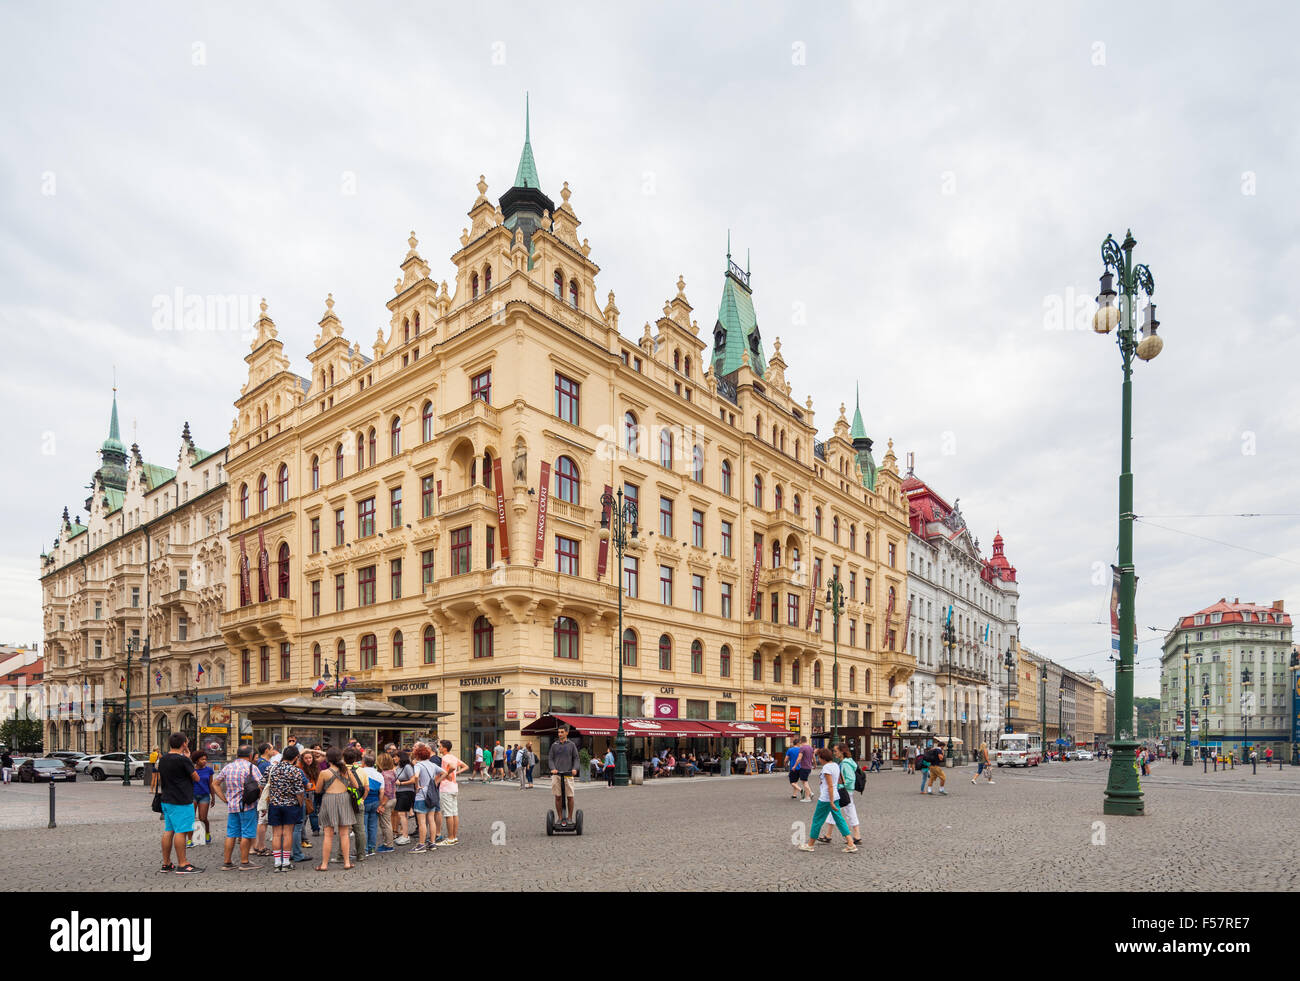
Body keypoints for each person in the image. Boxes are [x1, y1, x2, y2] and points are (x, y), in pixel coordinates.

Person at [158, 732, 202, 874]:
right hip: (181, 800)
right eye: (187, 742)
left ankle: (166, 863)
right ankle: (183, 864)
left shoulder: (163, 759)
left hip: (166, 799)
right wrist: (188, 759)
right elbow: (196, 778)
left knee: (168, 830)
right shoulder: (183, 760)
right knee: (181, 831)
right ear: (184, 744)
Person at [213, 744, 261, 871]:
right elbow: (261, 785)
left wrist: (225, 799)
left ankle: (227, 862)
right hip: (248, 805)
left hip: (232, 806)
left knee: (231, 834)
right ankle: (244, 862)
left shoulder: (228, 767)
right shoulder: (252, 767)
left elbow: (215, 783)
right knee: (247, 833)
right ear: (250, 756)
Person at [799, 747, 855, 853]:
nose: (818, 759)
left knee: (817, 820)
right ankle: (851, 843)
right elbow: (835, 781)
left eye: (819, 757)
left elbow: (830, 786)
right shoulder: (835, 765)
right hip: (835, 796)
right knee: (839, 820)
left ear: (822, 758)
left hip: (826, 799)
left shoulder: (826, 768)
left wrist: (831, 801)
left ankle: (810, 844)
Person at [314, 746, 357, 871]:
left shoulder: (324, 773)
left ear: (328, 759)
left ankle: (324, 864)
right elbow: (355, 785)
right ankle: (347, 862)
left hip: (329, 800)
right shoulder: (346, 771)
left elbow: (317, 790)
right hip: (344, 799)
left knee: (328, 835)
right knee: (344, 834)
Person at [265, 744, 305, 873]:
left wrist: (271, 796)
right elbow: (299, 791)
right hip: (291, 805)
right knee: (288, 834)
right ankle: (286, 862)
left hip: (275, 804)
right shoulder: (295, 771)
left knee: (276, 834)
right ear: (295, 757)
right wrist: (300, 804)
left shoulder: (272, 768)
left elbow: (261, 784)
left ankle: (277, 862)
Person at [818, 744, 862, 847]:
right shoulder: (846, 762)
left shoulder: (845, 763)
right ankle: (854, 835)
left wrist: (841, 786)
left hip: (844, 791)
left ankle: (855, 836)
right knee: (838, 810)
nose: (834, 753)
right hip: (845, 790)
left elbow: (850, 779)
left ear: (842, 752)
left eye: (836, 751)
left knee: (842, 811)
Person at [411, 742, 443, 852]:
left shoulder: (418, 765)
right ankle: (432, 843)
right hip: (431, 794)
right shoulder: (432, 765)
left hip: (421, 795)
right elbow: (445, 772)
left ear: (418, 755)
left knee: (422, 822)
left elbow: (416, 776)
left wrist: (417, 786)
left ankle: (421, 844)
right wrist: (436, 782)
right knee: (431, 820)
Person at [437, 739, 467, 845]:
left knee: (448, 814)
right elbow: (465, 766)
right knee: (454, 813)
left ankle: (450, 838)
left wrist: (447, 775)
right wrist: (456, 773)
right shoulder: (453, 757)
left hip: (446, 788)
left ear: (445, 748)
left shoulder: (444, 758)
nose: (439, 748)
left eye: (440, 746)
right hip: (454, 787)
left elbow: (450, 769)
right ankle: (454, 836)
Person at [548, 726, 580, 826]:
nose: (560, 734)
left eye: (562, 732)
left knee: (570, 797)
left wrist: (575, 768)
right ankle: (560, 818)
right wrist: (553, 768)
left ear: (566, 733)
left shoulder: (571, 745)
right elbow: (550, 759)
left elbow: (576, 758)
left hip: (568, 774)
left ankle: (569, 818)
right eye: (559, 732)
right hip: (557, 775)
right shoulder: (554, 745)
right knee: (558, 797)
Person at [252, 741, 275, 858]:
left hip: (263, 797)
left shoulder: (263, 762)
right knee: (262, 821)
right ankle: (260, 846)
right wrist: (264, 799)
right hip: (264, 797)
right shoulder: (263, 764)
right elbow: (261, 783)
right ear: (266, 750)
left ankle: (258, 845)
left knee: (263, 822)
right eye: (272, 749)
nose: (273, 751)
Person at [360, 752, 384, 857]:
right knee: (373, 826)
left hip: (364, 800)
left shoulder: (360, 772)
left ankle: (364, 849)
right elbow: (382, 791)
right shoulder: (379, 774)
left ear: (364, 762)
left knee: (363, 826)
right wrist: (380, 804)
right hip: (375, 801)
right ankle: (371, 848)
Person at [190, 749, 214, 845]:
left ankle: (207, 832)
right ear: (196, 760)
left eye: (205, 759)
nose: (204, 761)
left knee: (203, 818)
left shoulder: (209, 770)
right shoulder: (191, 770)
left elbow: (211, 784)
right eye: (202, 759)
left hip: (204, 796)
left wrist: (213, 797)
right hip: (192, 796)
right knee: (191, 818)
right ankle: (190, 839)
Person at [375, 752, 397, 853]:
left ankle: (389, 845)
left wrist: (381, 805)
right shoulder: (392, 772)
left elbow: (386, 792)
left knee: (385, 823)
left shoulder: (384, 775)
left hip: (387, 801)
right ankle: (387, 843)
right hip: (393, 799)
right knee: (386, 823)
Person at [393, 750, 416, 843]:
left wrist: (401, 783)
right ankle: (404, 834)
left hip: (406, 792)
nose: (394, 758)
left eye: (395, 757)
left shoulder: (407, 767)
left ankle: (405, 836)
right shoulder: (398, 767)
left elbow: (413, 779)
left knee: (402, 814)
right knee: (402, 814)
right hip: (400, 792)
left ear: (400, 757)